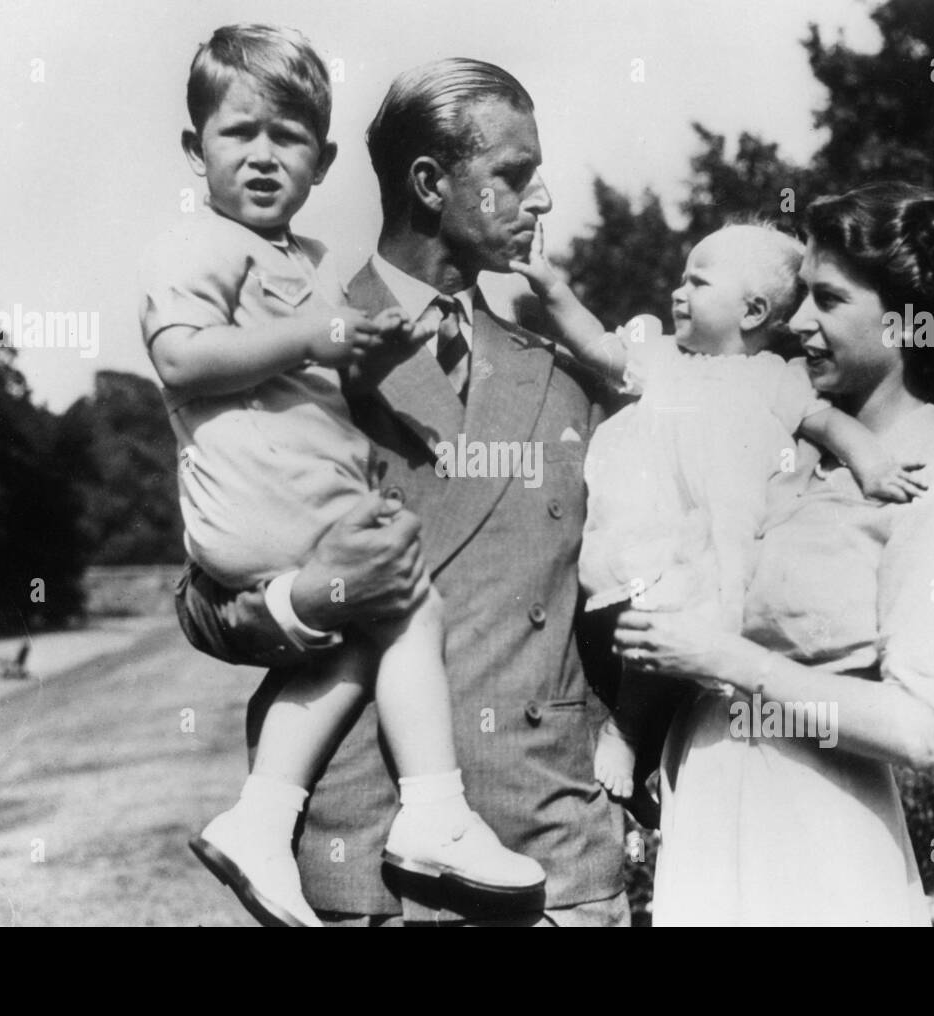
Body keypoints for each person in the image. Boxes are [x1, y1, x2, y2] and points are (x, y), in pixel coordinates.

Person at [173, 56, 630, 926]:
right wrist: (307, 597)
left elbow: (618, 583)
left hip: (551, 857)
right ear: (428, 182)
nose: (541, 201)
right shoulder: (292, 346)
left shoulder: (564, 377)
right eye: (514, 175)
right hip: (365, 859)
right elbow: (201, 598)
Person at [612, 182, 934, 925]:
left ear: (907, 327)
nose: (796, 322)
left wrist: (729, 663)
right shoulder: (778, 449)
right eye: (798, 297)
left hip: (817, 854)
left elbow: (922, 725)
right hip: (704, 825)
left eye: (826, 301)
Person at [511, 220, 925, 799]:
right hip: (653, 524)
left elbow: (828, 423)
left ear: (752, 311)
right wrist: (551, 288)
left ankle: (645, 750)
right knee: (647, 625)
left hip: (720, 541)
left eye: (697, 283)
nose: (678, 292)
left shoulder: (775, 380)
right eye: (681, 279)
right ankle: (627, 730)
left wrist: (872, 462)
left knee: (694, 639)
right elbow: (599, 347)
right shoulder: (664, 358)